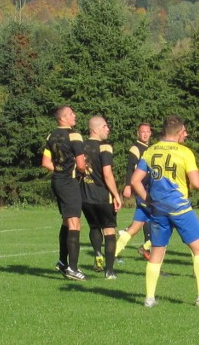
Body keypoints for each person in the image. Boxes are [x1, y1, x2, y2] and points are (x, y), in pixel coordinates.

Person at [131, 114, 199, 307]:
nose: (186, 135)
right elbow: (197, 183)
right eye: (184, 131)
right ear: (178, 133)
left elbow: (135, 181)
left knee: (157, 253)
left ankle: (149, 298)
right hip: (179, 208)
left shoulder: (150, 151)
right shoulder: (184, 152)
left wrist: (148, 200)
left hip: (158, 209)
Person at [41, 105, 88, 281]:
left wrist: (59, 170)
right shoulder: (74, 135)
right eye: (70, 114)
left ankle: (62, 261)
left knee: (67, 222)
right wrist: (80, 171)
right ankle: (73, 269)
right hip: (69, 182)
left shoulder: (51, 135)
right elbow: (81, 164)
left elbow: (46, 162)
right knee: (75, 223)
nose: (74, 116)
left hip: (57, 182)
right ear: (62, 118)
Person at [81, 116, 122, 279]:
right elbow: (107, 173)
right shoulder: (105, 147)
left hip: (85, 196)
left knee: (93, 227)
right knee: (109, 230)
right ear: (96, 129)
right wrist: (116, 194)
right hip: (103, 196)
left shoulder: (81, 146)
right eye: (105, 126)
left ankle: (97, 252)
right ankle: (109, 271)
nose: (108, 129)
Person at [115, 123, 153, 260]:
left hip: (148, 189)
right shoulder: (136, 148)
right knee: (162, 220)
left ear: (151, 133)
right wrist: (127, 185)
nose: (145, 134)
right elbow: (130, 168)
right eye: (142, 132)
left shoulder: (150, 148)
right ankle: (147, 248)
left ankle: (113, 254)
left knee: (137, 225)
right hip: (142, 189)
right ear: (138, 133)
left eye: (147, 132)